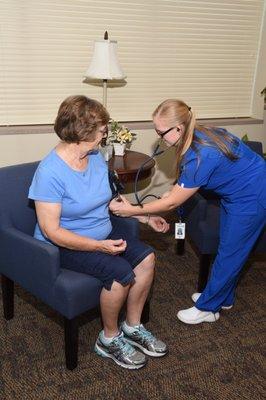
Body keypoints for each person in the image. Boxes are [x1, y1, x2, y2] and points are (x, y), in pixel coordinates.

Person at [28, 95, 169, 369]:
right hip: (63, 244)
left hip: (101, 232)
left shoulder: (94, 157)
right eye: (102, 129)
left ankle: (133, 326)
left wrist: (145, 217)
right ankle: (109, 338)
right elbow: (52, 231)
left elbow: (111, 199)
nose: (106, 133)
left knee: (147, 259)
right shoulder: (50, 173)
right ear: (82, 133)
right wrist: (98, 247)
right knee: (120, 275)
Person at [110, 98, 266, 325]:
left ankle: (208, 308)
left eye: (161, 132)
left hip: (252, 197)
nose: (159, 138)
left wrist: (132, 210)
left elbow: (172, 204)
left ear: (179, 128)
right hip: (239, 193)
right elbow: (183, 184)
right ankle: (223, 297)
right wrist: (171, 193)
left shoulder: (203, 154)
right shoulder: (200, 134)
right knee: (230, 247)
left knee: (231, 252)